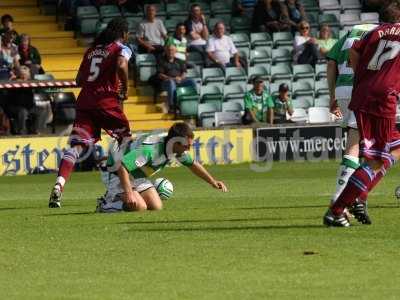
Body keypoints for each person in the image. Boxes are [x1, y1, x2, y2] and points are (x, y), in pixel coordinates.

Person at [324, 1, 400, 227]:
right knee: (375, 160)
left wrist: (364, 76)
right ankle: (337, 210)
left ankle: (359, 196)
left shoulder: (375, 31)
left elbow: (353, 53)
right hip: (382, 98)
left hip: (362, 93)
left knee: (392, 149)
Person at [48, 17, 132, 208]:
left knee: (77, 147)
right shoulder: (121, 48)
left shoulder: (91, 51)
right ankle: (122, 188)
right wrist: (125, 88)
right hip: (106, 102)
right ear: (124, 34)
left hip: (85, 102)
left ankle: (59, 184)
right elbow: (121, 65)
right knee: (125, 140)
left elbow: (78, 80)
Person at [96, 122, 228, 212]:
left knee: (156, 206)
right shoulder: (151, 150)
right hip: (116, 173)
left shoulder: (174, 148)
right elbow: (122, 166)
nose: (188, 149)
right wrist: (130, 193)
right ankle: (106, 204)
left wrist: (212, 182)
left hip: (136, 176)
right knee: (139, 207)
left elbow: (193, 164)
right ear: (175, 142)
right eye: (186, 146)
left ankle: (127, 196)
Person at [326, 24, 378, 219]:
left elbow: (331, 63)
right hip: (362, 90)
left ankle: (354, 196)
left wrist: (332, 96)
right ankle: (341, 199)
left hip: (341, 90)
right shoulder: (381, 33)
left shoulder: (351, 31)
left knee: (359, 142)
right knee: (359, 145)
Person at [157, 44, 196, 114]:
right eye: (169, 50)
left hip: (179, 81)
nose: (170, 52)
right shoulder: (161, 61)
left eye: (172, 50)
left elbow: (184, 72)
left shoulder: (180, 61)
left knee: (192, 81)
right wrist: (173, 78)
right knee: (171, 82)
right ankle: (172, 106)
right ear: (165, 51)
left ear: (175, 51)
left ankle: (192, 102)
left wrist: (180, 78)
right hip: (167, 82)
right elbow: (160, 75)